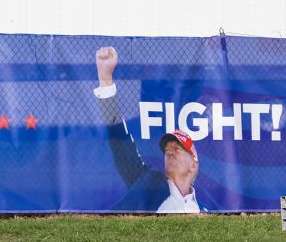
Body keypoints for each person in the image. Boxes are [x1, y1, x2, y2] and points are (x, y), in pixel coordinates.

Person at [93, 46, 218, 213]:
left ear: (193, 165)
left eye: (177, 148)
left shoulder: (203, 211)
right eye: (167, 150)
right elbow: (120, 144)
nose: (170, 153)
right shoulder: (147, 182)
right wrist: (105, 79)